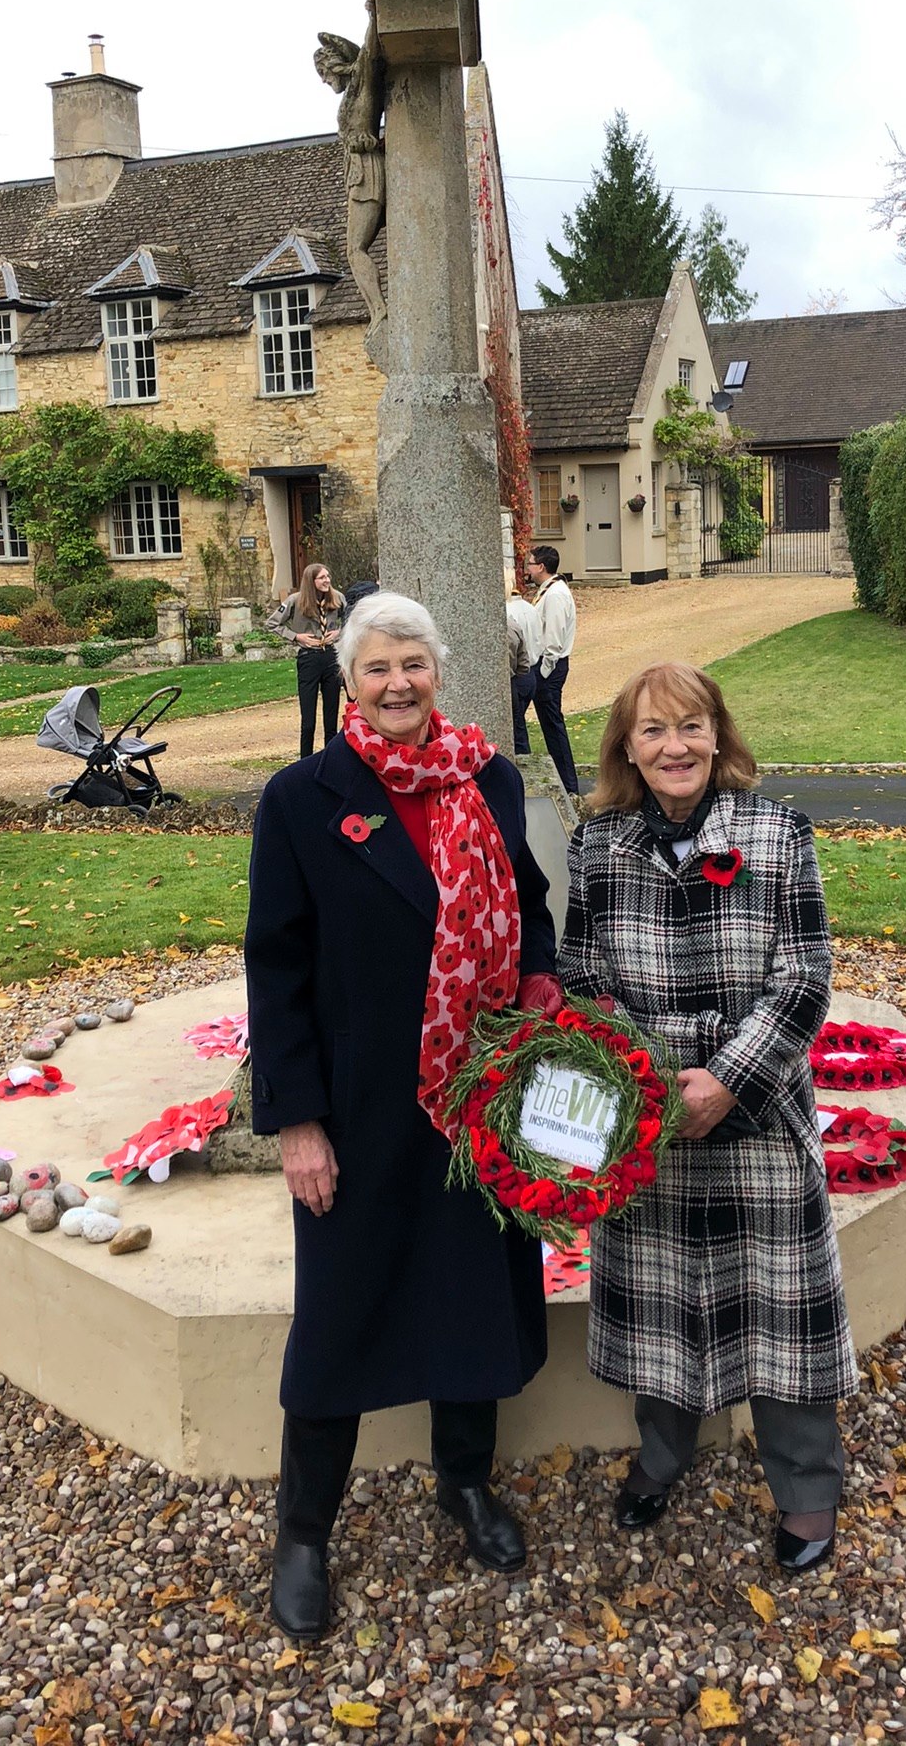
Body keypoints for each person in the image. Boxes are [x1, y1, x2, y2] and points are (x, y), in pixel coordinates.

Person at [245, 590, 562, 1642]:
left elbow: (530, 903)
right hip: (363, 1104)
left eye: (413, 666)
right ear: (349, 677)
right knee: (342, 1311)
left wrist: (541, 989)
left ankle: (463, 1482)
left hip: (479, 1095)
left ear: (438, 673)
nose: (396, 684)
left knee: (470, 1295)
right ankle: (303, 1530)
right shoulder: (303, 797)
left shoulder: (492, 777)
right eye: (377, 667)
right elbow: (277, 966)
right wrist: (297, 1121)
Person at [559, 661, 855, 1573]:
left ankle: (807, 1489)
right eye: (653, 732)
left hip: (756, 1117)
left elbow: (804, 975)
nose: (675, 746)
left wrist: (727, 1078)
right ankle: (662, 1454)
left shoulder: (777, 832)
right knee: (661, 1308)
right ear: (627, 749)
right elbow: (580, 975)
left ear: (718, 735)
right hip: (647, 1123)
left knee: (781, 1313)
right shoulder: (597, 844)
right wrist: (643, 1082)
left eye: (691, 726)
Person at [271, 564, 346, 759]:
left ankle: (330, 761)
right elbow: (272, 623)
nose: (327, 581)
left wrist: (339, 633)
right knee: (309, 722)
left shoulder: (337, 598)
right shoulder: (295, 601)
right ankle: (305, 762)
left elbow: (351, 622)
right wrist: (296, 637)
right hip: (308, 659)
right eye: (322, 578)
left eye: (328, 576)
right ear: (311, 581)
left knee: (331, 719)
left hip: (330, 657)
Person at [524, 544, 579, 793]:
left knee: (553, 724)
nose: (528, 569)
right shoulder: (549, 591)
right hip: (545, 666)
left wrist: (543, 673)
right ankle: (565, 781)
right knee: (548, 723)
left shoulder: (556, 594)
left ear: (542, 567)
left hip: (550, 667)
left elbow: (553, 640)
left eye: (531, 564)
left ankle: (569, 785)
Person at [505, 574, 542, 758]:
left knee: (517, 730)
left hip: (515, 680)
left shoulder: (508, 619)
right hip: (529, 675)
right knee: (519, 728)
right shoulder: (531, 609)